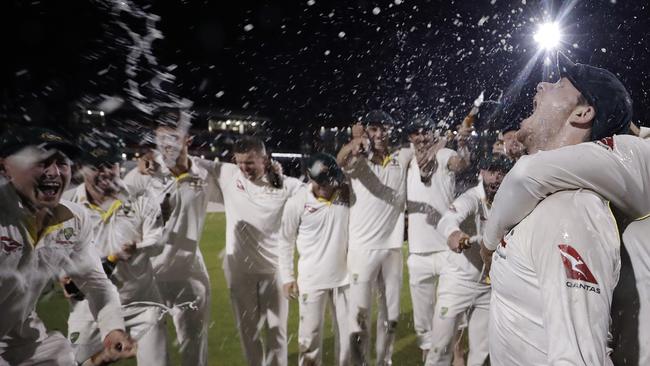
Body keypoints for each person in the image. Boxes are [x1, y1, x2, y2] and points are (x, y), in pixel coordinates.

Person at [484, 53, 633, 365]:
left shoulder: (572, 213)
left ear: (583, 112)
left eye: (559, 84)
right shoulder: (541, 198)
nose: (541, 84)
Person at [0, 127, 135, 365]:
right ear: (5, 167)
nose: (53, 172)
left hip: (18, 334)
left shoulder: (74, 219)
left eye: (61, 163)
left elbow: (96, 283)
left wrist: (112, 328)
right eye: (41, 162)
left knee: (59, 356)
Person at [123, 109, 216, 366]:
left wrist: (272, 172)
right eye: (161, 139)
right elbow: (112, 211)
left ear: (188, 139)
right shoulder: (142, 175)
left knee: (194, 354)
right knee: (151, 358)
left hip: (190, 276)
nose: (166, 145)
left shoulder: (207, 173)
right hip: (147, 279)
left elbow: (248, 177)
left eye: (173, 138)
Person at [65, 134, 169, 365]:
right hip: (90, 309)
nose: (105, 173)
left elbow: (158, 241)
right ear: (81, 168)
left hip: (142, 303)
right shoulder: (67, 204)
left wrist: (137, 248)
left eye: (110, 165)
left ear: (118, 165)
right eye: (96, 167)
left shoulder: (141, 197)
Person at [210, 135, 302, 366]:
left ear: (265, 159)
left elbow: (317, 194)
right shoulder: (228, 174)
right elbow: (187, 162)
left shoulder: (287, 185)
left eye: (249, 162)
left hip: (274, 271)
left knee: (277, 332)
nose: (244, 168)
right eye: (239, 162)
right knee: (248, 332)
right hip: (239, 271)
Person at [425, 153, 513, 366]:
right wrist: (454, 234)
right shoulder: (471, 197)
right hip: (457, 282)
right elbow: (448, 219)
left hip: (487, 287)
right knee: (440, 349)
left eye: (501, 172)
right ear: (481, 173)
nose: (496, 177)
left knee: (481, 354)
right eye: (491, 171)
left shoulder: (511, 200)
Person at [404, 117, 468, 361]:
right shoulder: (406, 159)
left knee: (454, 323)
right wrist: (440, 140)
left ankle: (459, 360)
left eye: (425, 133)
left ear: (431, 133)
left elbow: (460, 164)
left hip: (446, 252)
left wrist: (459, 142)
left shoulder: (444, 156)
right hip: (418, 254)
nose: (420, 137)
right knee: (425, 332)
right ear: (410, 137)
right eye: (415, 134)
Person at [279, 153, 350, 366]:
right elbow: (285, 240)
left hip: (345, 279)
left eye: (332, 179)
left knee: (349, 340)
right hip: (311, 279)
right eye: (324, 181)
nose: (330, 185)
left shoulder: (346, 195)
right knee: (309, 339)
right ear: (311, 179)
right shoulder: (297, 203)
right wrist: (287, 277)